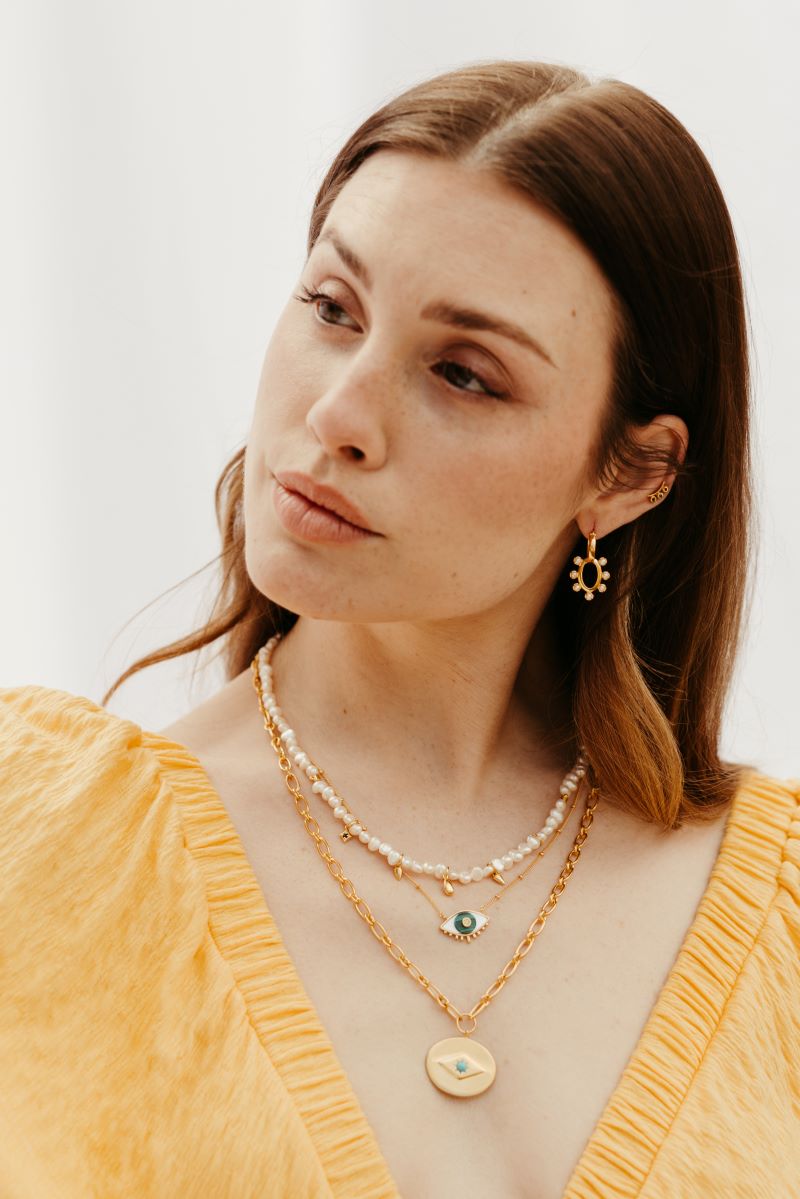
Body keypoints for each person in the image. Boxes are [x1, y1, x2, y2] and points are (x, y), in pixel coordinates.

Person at [1, 59, 798, 1199]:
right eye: (333, 308)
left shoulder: (774, 923)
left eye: (464, 374)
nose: (337, 414)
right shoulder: (37, 846)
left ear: (628, 474)